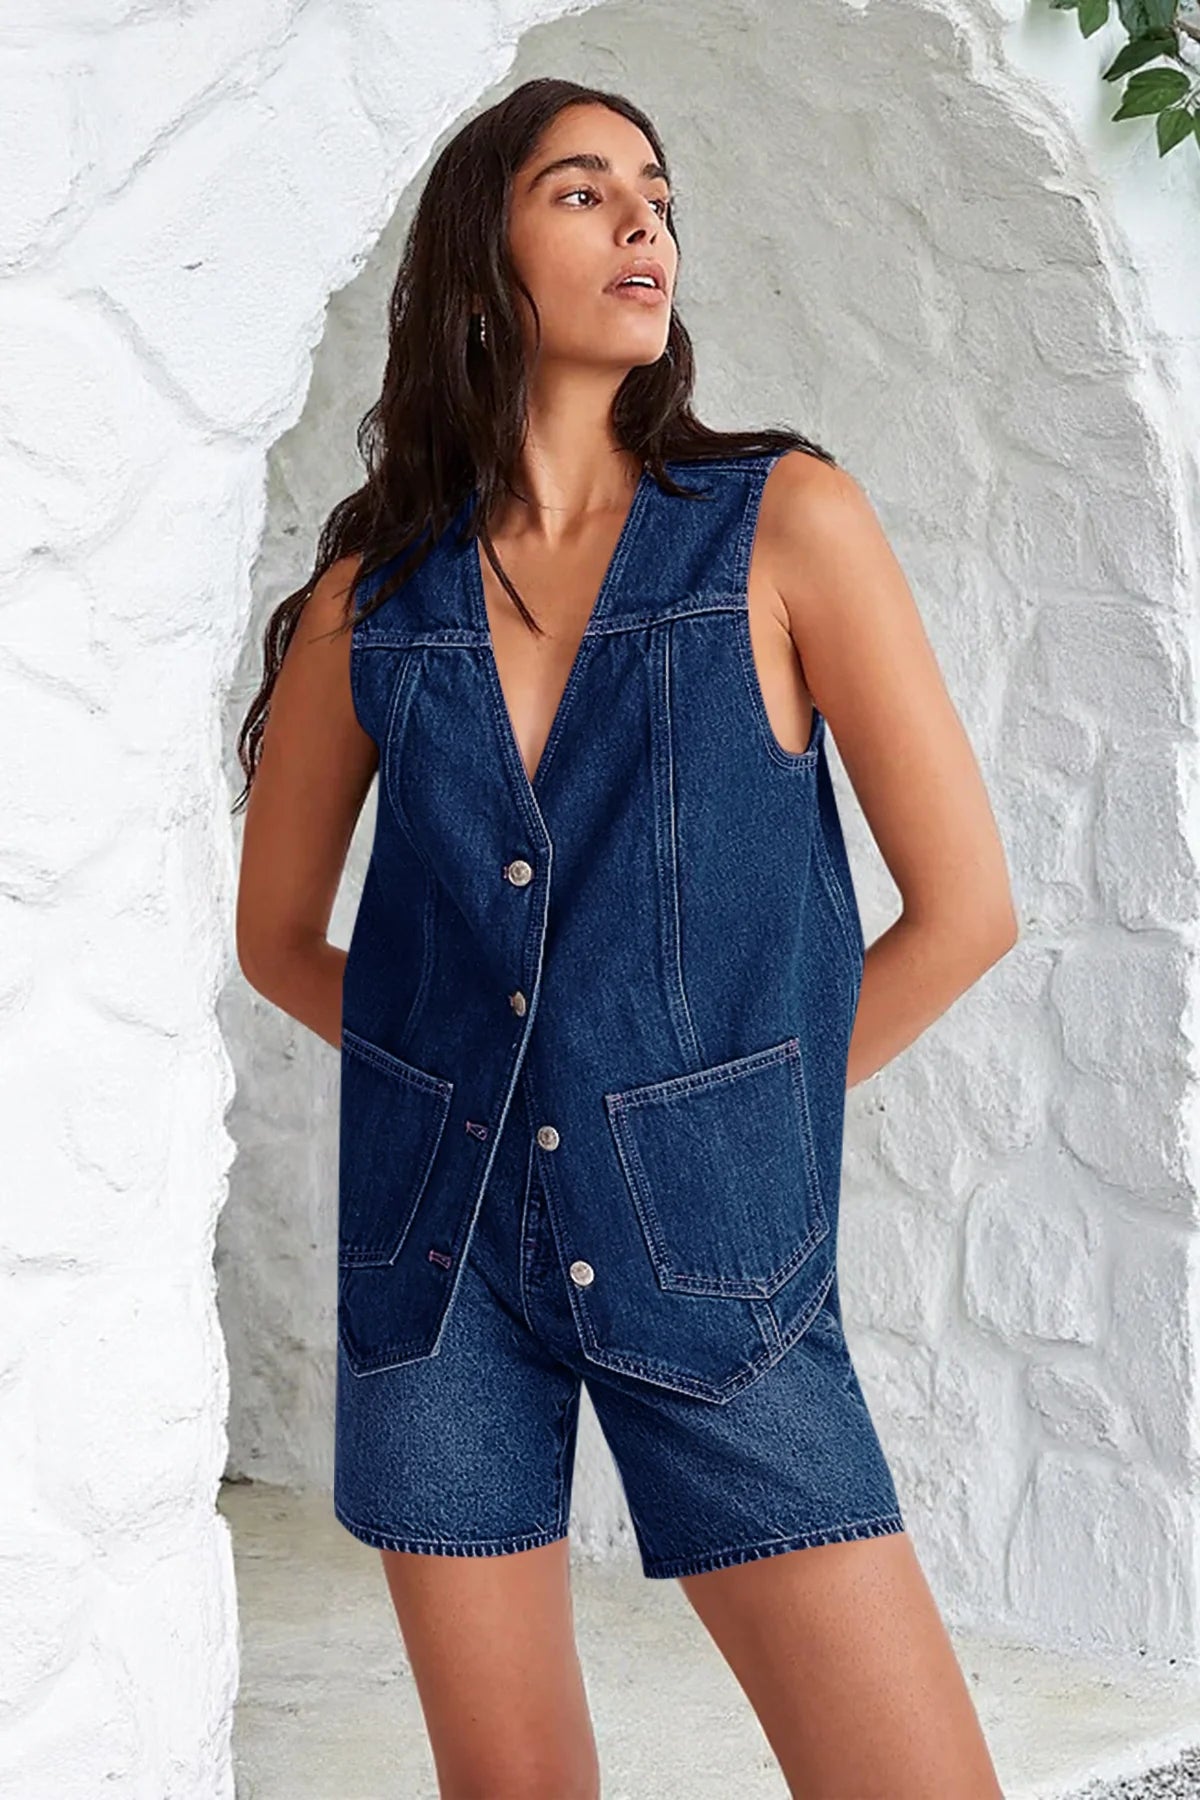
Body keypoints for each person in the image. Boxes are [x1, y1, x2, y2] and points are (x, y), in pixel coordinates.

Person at [233, 74, 1013, 1800]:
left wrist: (725, 1123)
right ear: (481, 257)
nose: (643, 218)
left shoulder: (783, 523)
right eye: (583, 191)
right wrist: (471, 1083)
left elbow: (967, 912)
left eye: (655, 191)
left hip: (712, 1242)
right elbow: (279, 936)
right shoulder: (376, 602)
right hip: (438, 1254)